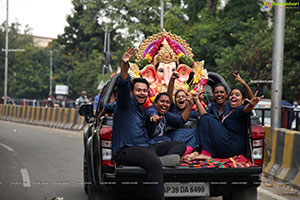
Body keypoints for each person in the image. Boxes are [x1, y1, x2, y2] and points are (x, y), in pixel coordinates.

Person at [112, 47, 186, 200]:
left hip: (145, 148)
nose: (142, 93)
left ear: (148, 93)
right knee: (152, 162)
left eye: (145, 91)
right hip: (126, 149)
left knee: (179, 145)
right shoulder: (126, 103)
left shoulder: (144, 110)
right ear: (132, 92)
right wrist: (124, 64)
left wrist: (153, 120)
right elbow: (123, 83)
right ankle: (155, 166)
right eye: (138, 90)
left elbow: (158, 112)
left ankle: (156, 161)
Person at [184, 89, 264, 161]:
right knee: (205, 118)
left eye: (237, 95)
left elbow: (245, 110)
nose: (233, 96)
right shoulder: (228, 112)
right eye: (232, 94)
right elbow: (206, 117)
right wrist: (197, 100)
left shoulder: (240, 109)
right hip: (226, 143)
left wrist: (251, 105)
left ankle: (206, 153)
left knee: (205, 118)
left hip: (232, 146)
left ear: (243, 100)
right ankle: (197, 152)